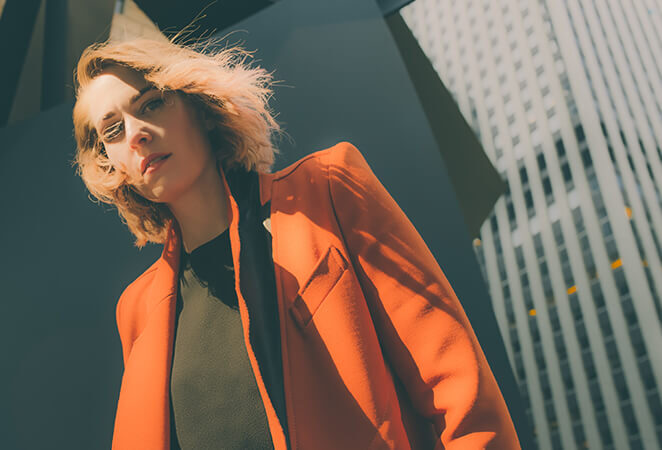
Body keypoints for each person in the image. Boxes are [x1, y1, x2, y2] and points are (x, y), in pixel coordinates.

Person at [72, 36, 520, 449]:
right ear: (110, 163)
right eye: (112, 130)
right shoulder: (137, 310)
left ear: (200, 107)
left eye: (151, 105)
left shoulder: (326, 189)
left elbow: (458, 386)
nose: (135, 133)